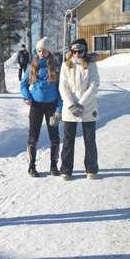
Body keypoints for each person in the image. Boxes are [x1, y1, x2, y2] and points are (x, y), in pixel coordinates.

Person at [58, 38, 100, 180]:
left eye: (80, 51)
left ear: (84, 51)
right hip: (70, 108)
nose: (77, 54)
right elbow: (63, 87)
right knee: (68, 140)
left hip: (87, 107)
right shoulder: (66, 65)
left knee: (89, 139)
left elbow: (94, 85)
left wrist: (81, 104)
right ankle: (66, 170)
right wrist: (71, 104)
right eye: (74, 51)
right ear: (71, 51)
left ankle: (91, 168)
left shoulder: (91, 65)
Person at [20, 37, 63, 177]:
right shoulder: (32, 66)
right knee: (33, 137)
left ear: (48, 51)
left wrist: (59, 108)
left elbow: (60, 89)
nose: (41, 53)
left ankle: (54, 166)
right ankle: (31, 166)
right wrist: (27, 97)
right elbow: (23, 84)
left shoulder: (56, 66)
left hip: (51, 107)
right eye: (39, 50)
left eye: (43, 50)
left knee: (54, 137)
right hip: (36, 106)